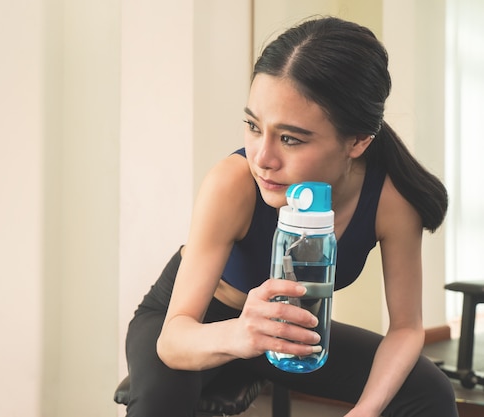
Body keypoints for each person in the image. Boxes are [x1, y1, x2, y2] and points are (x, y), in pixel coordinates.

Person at [124, 16, 457, 417]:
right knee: (161, 404)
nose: (262, 159)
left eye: (290, 139)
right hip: (194, 325)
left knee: (429, 390)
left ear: (357, 141)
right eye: (252, 125)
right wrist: (241, 333)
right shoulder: (233, 183)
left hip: (286, 330)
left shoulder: (391, 200)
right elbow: (173, 340)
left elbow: (406, 328)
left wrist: (365, 410)